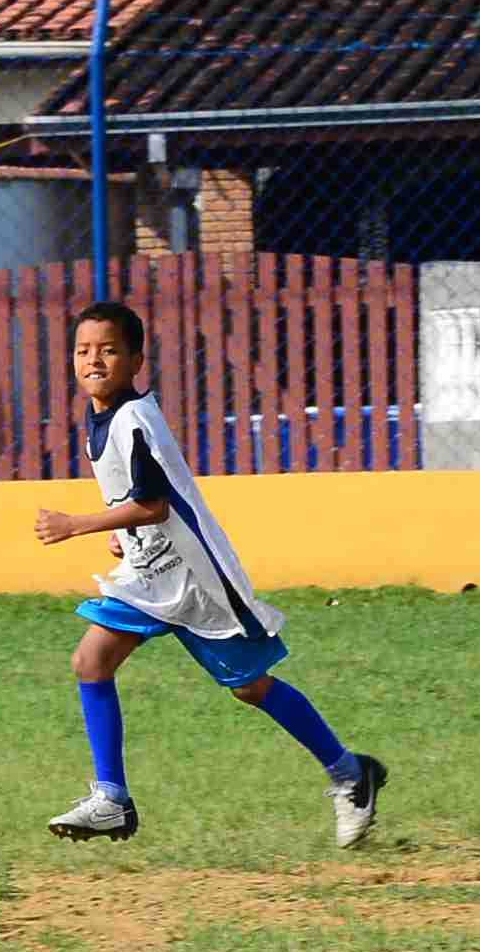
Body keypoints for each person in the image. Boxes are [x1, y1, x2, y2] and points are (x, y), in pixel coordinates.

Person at [30, 299, 388, 848]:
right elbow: (139, 502)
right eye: (83, 351)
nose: (93, 360)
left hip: (195, 578)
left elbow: (154, 506)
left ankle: (349, 774)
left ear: (135, 360)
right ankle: (111, 799)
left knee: (250, 687)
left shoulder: (134, 422)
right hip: (150, 574)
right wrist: (120, 534)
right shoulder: (100, 418)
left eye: (108, 350)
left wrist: (78, 523)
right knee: (90, 661)